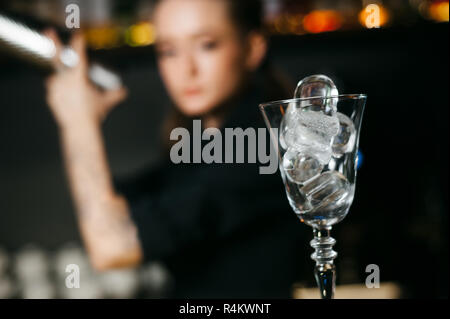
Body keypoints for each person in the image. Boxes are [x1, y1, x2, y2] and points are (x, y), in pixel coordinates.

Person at [44, 0, 308, 298]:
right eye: (169, 51)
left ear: (253, 48)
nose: (187, 69)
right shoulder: (202, 143)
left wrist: (79, 122)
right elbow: (113, 211)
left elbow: (111, 246)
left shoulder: (261, 146)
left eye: (207, 45)